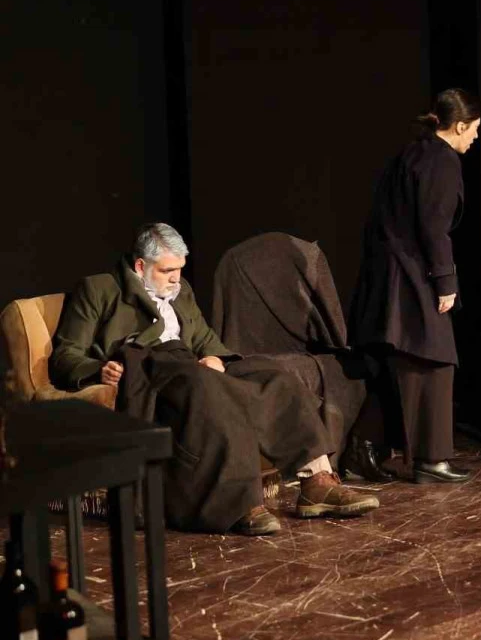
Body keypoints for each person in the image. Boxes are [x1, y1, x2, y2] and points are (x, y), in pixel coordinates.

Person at [50, 224, 380, 536]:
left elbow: (206, 339)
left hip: (190, 365)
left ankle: (316, 482)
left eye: (180, 269)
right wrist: (99, 369)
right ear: (140, 266)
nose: (176, 278)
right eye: (167, 271)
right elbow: (66, 355)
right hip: (148, 367)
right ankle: (239, 504)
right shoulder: (99, 289)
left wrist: (216, 358)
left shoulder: (181, 291)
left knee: (275, 378)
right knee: (207, 386)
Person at [349, 88, 480, 484]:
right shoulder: (442, 160)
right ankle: (431, 459)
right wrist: (445, 281)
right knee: (435, 359)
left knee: (401, 360)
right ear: (460, 126)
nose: (476, 137)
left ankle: (364, 446)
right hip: (413, 273)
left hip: (390, 273)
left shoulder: (412, 152)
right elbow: (433, 226)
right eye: (475, 128)